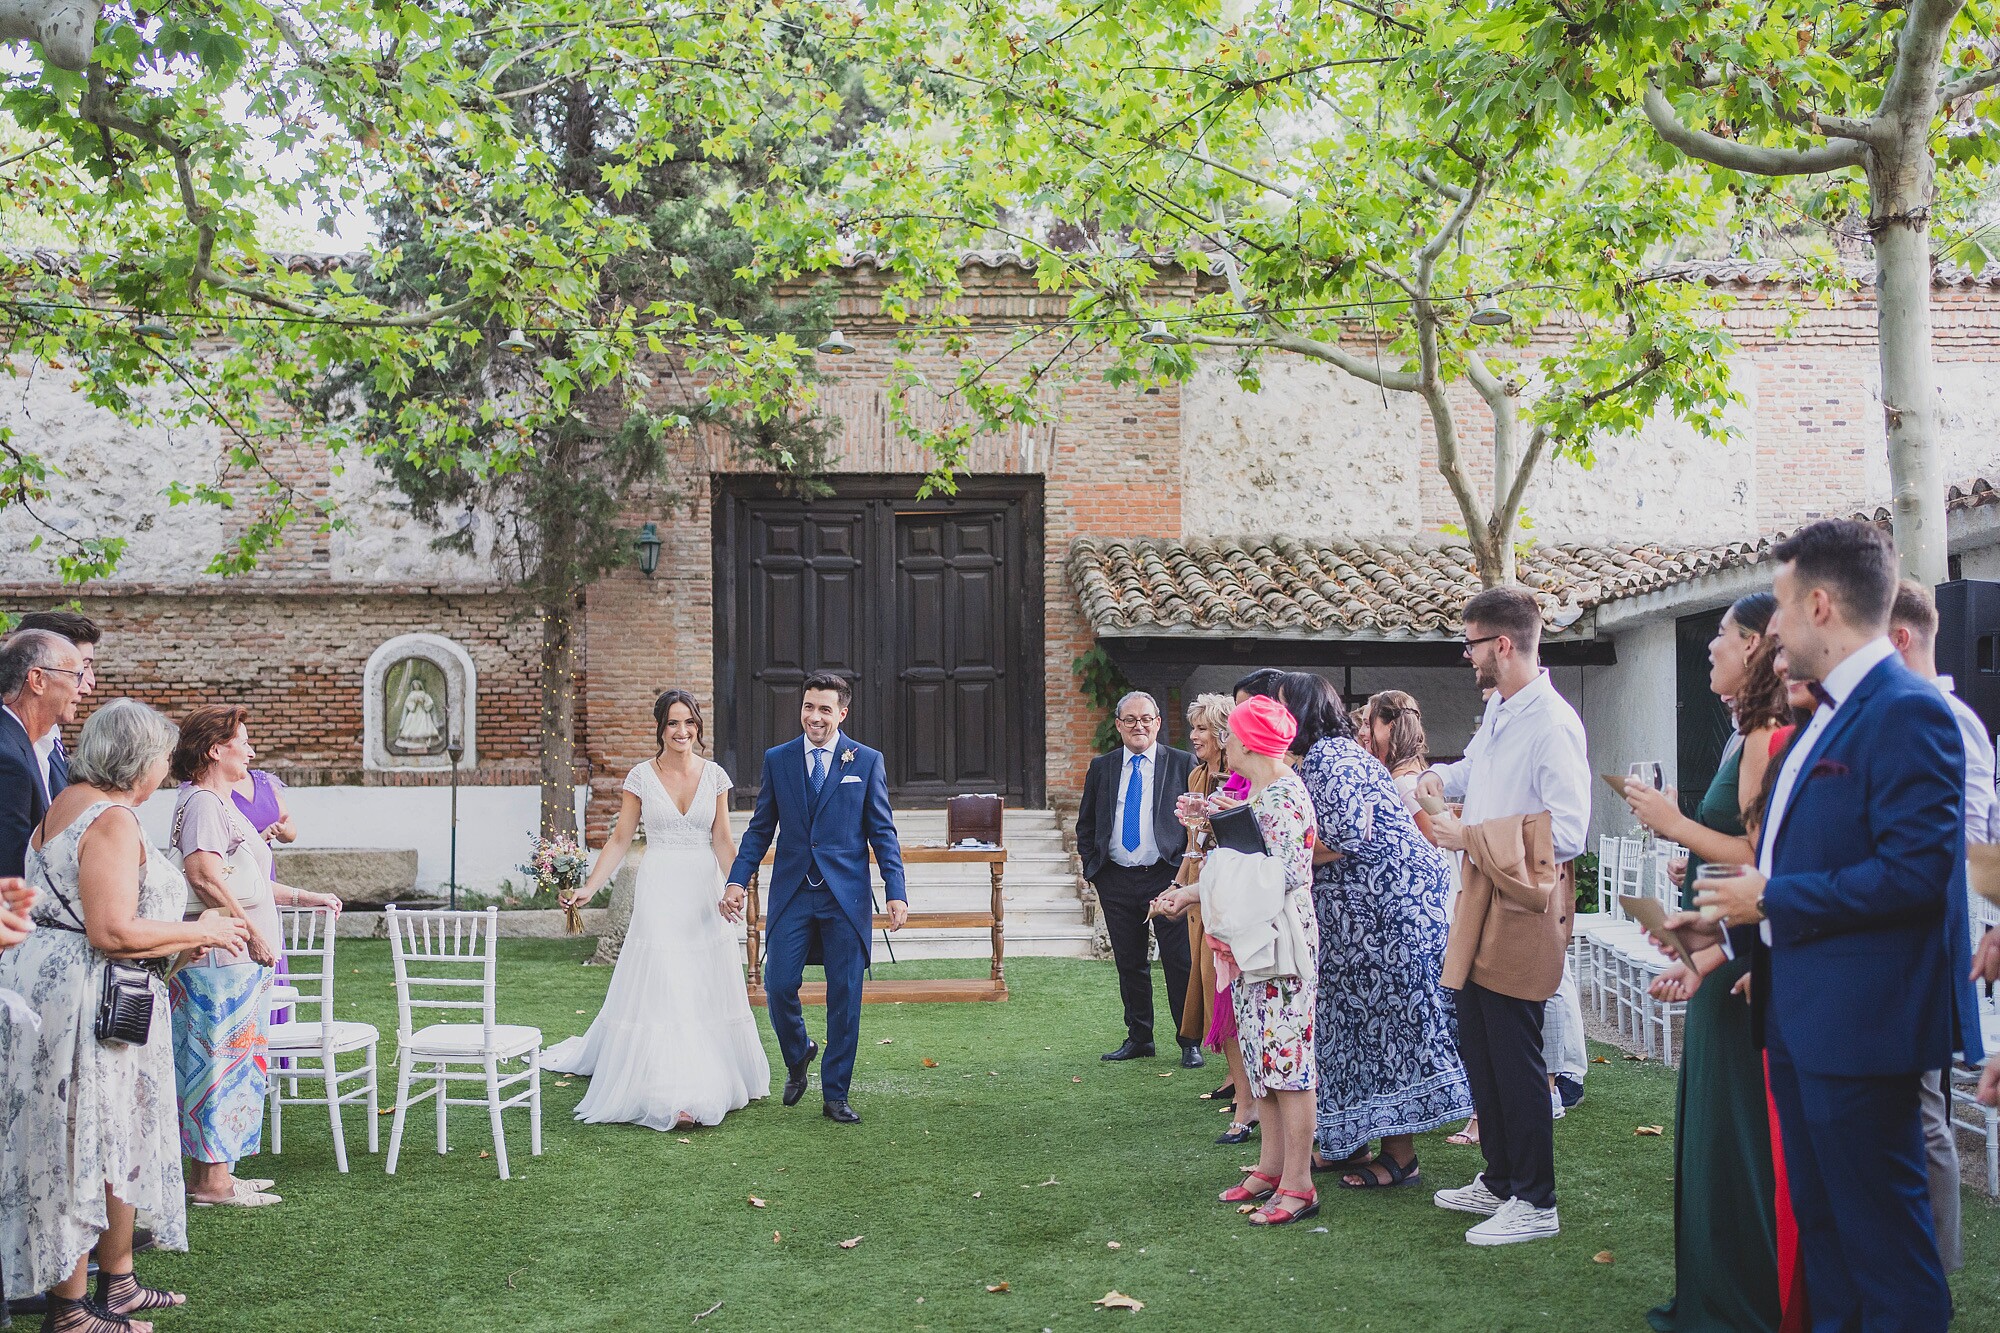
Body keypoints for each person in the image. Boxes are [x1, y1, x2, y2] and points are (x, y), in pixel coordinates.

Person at [1673, 519, 1979, 1332]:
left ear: (1818, 603)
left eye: (1777, 605)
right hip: (1800, 1020)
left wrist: (1769, 898)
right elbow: (1803, 858)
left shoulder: (1907, 710)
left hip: (1865, 1029)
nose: (1771, 628)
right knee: (1832, 1256)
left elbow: (1916, 878)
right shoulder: (1826, 716)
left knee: (1887, 1259)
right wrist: (1725, 922)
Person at [0, 699, 248, 1332]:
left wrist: (172, 940)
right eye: (165, 756)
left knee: (115, 1138)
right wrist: (202, 926)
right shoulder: (111, 819)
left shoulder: (70, 801)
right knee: (84, 1142)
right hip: (90, 1002)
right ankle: (71, 1312)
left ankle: (118, 1285)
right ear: (139, 759)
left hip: (70, 990)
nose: (169, 769)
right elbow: (110, 930)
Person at [1623, 592, 1791, 1331]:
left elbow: (1762, 857)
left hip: (1745, 962)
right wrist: (1695, 944)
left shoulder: (1766, 737)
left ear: (1754, 645)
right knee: (1710, 1139)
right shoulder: (1745, 733)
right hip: (1718, 954)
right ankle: (1712, 1292)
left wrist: (1674, 823)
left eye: (1720, 638)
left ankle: (1739, 1302)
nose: (1710, 650)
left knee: (1734, 1145)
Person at [1420, 586, 1589, 1246]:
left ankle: (1537, 1201)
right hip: (1481, 895)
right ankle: (1499, 1178)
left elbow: (1571, 829)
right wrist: (1438, 782)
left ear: (1503, 645)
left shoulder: (1552, 721)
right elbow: (1476, 771)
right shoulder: (1500, 709)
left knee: (1517, 1056)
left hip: (1522, 901)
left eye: (1470, 644)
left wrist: (1470, 836)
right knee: (1480, 1043)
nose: (1466, 657)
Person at [544, 690, 770, 1128]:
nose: (681, 731)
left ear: (698, 727)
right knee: (667, 983)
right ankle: (670, 1089)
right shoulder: (641, 777)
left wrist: (735, 887)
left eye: (689, 722)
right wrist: (591, 887)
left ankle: (713, 1073)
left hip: (704, 889)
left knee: (701, 982)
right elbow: (620, 839)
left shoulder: (716, 776)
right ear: (660, 728)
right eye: (672, 723)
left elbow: (723, 841)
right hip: (661, 886)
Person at [1291, 672, 1470, 1190]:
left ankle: (1400, 1158)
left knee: (1388, 1031)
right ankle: (1347, 1142)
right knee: (1346, 1034)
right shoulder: (1316, 761)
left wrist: (1274, 847)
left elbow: (1345, 836)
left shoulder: (1336, 760)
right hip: (1356, 925)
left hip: (1390, 919)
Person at [1153, 694, 1321, 1224]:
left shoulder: (1285, 796)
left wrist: (1214, 869)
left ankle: (1299, 1183)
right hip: (1252, 942)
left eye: (1230, 735)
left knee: (1289, 1063)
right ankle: (1271, 1166)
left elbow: (1288, 874)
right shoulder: (1262, 792)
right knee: (1260, 1055)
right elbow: (1250, 861)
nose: (1222, 742)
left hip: (1279, 944)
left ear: (1248, 742)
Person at [168, 705, 342, 1205]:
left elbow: (249, 882)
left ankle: (216, 1173)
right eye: (242, 741)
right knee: (217, 1061)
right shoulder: (201, 801)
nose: (251, 750)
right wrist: (253, 934)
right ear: (215, 750)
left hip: (236, 962)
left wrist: (305, 897)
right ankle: (212, 1184)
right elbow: (203, 875)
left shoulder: (221, 803)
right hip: (218, 961)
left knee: (236, 1063)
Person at [725, 671, 906, 1125]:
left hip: (845, 897)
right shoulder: (778, 759)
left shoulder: (866, 761)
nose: (815, 716)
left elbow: (882, 832)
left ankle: (835, 1095)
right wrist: (735, 880)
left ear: (843, 713)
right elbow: (761, 828)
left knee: (844, 996)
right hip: (793, 893)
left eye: (825, 708)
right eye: (809, 707)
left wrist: (896, 892)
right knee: (778, 982)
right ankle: (799, 1049)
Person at [1886, 578, 1990, 1280]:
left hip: (1934, 935)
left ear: (1897, 640)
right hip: (1904, 934)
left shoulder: (1948, 720)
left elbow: (1977, 843)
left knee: (1925, 1113)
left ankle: (1937, 1269)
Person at [1074, 690, 1200, 1066]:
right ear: (1118, 725)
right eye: (1130, 719)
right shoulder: (1103, 767)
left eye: (1146, 718)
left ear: (1158, 722)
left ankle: (1188, 1041)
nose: (1138, 726)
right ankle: (1139, 1037)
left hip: (1166, 875)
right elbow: (1087, 822)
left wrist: (1184, 875)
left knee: (1179, 961)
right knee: (1129, 962)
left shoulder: (1182, 763)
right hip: (1116, 878)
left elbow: (1196, 823)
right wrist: (1093, 869)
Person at [1171, 693, 1253, 1140]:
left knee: (1226, 994)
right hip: (1205, 885)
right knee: (1213, 988)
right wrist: (1179, 885)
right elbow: (1197, 844)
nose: (1196, 737)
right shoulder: (1203, 775)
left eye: (1204, 729)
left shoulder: (1248, 783)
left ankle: (1248, 1097)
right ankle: (1239, 1085)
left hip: (1232, 896)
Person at [0, 630, 85, 878]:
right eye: (76, 676)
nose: (84, 689)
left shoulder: (40, 746)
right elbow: (11, 871)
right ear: (38, 680)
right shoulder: (8, 760)